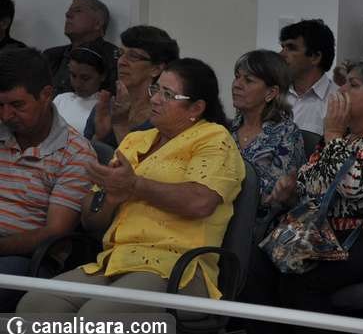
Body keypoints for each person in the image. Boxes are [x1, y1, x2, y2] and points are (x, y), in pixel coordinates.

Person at [17, 58, 246, 314]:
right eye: (155, 89)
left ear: (196, 107)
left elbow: (200, 202)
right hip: (115, 261)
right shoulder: (135, 140)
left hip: (177, 269)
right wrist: (110, 198)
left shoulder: (214, 138)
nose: (155, 99)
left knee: (96, 317)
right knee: (35, 305)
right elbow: (91, 222)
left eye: (168, 94)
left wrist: (134, 185)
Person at [242, 58, 363, 334]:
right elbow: (312, 185)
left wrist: (333, 134)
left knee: (303, 277)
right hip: (332, 233)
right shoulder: (345, 138)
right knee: (257, 265)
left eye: (353, 84)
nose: (340, 90)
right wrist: (291, 191)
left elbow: (354, 185)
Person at [0, 48, 95, 311]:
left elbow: (56, 232)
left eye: (17, 105)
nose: (6, 116)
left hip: (26, 258)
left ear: (46, 94)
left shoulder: (75, 153)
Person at [230, 50, 306, 220]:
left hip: (264, 227)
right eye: (237, 77)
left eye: (248, 80)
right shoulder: (226, 129)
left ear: (271, 93)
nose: (237, 85)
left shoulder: (286, 133)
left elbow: (273, 197)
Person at [83, 25, 179, 148]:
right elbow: (83, 156)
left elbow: (147, 161)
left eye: (133, 57)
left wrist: (120, 125)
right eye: (120, 54)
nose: (121, 62)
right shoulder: (106, 107)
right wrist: (99, 136)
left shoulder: (164, 116)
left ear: (156, 69)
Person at [43, 0, 119, 95]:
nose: (68, 14)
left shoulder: (114, 58)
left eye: (78, 11)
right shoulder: (51, 55)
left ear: (98, 23)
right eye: (69, 11)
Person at [279, 19, 337, 135]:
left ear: (315, 57)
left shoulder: (337, 100)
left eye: (291, 48)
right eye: (282, 47)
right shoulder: (274, 94)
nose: (281, 54)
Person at [53, 41, 107, 134]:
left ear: (102, 76)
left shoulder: (105, 107)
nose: (77, 84)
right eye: (73, 75)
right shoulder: (61, 100)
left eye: (85, 78)